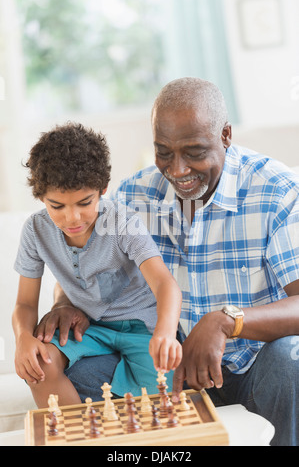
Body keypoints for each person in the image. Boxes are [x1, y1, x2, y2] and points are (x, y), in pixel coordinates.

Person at [35, 78, 299, 446]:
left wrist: (227, 322)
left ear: (225, 135)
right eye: (164, 152)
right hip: (164, 368)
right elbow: (83, 269)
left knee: (291, 361)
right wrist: (64, 303)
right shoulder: (132, 196)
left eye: (194, 152)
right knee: (78, 370)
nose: (177, 170)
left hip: (253, 368)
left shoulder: (277, 191)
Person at [12, 122, 182, 408]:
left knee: (159, 404)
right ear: (40, 197)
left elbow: (165, 284)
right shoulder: (35, 230)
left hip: (143, 328)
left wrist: (166, 333)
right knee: (39, 364)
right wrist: (22, 339)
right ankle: (75, 438)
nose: (72, 218)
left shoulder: (122, 223)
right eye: (57, 206)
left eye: (84, 202)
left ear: (102, 189)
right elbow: (25, 304)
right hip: (90, 327)